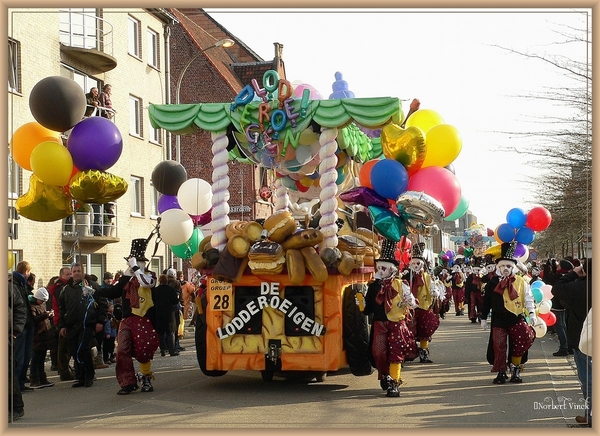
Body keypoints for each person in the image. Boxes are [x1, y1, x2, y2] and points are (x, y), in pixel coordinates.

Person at [94, 239, 160, 395]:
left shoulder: (150, 276)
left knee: (143, 350)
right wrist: (95, 290)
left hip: (143, 318)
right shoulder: (125, 278)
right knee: (122, 350)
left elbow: (145, 283)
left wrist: (136, 267)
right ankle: (127, 382)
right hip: (127, 318)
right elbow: (114, 292)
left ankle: (145, 377)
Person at [360, 239, 418, 397]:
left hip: (397, 323)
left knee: (395, 352)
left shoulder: (401, 284)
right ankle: (384, 374)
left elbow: (412, 302)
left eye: (383, 268)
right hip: (380, 323)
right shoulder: (373, 286)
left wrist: (409, 301)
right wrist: (362, 303)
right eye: (378, 268)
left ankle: (394, 382)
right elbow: (368, 309)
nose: (380, 270)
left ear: (392, 269)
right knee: (378, 352)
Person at [480, 242, 536, 384]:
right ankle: (501, 371)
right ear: (498, 267)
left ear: (514, 267)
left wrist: (532, 313)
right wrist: (483, 318)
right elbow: (486, 301)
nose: (506, 269)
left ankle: (515, 369)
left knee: (521, 341)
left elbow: (528, 298)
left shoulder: (521, 282)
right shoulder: (492, 283)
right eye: (503, 266)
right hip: (498, 320)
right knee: (499, 346)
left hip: (516, 318)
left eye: (509, 266)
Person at [551, 258, 592, 427]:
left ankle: (591, 415)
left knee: (588, 379)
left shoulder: (577, 287)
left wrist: (574, 272)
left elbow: (557, 288)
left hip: (583, 338)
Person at [58, 263, 108, 388]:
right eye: (74, 271)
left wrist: (100, 321)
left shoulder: (92, 286)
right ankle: (80, 376)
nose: (76, 273)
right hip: (71, 325)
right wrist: (62, 325)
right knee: (75, 351)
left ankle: (89, 375)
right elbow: (62, 309)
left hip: (87, 324)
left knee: (83, 350)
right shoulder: (66, 289)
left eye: (78, 271)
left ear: (83, 272)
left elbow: (102, 304)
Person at [403, 242, 442, 364]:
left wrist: (435, 291)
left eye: (418, 263)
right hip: (410, 308)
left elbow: (432, 287)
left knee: (425, 329)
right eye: (413, 263)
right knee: (409, 330)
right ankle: (408, 352)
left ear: (422, 264)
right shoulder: (406, 275)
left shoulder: (427, 276)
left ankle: (424, 352)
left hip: (424, 306)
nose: (415, 265)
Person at [47, 267, 74, 381]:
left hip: (64, 320)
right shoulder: (60, 289)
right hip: (62, 320)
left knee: (65, 347)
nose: (70, 276)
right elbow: (62, 307)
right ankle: (64, 372)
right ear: (61, 276)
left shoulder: (65, 287)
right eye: (67, 274)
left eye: (71, 274)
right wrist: (62, 323)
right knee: (63, 348)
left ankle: (65, 369)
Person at [11, 261, 34, 393]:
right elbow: (19, 307)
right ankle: (17, 385)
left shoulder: (21, 284)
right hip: (21, 326)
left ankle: (21, 382)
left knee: (26, 356)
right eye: (29, 272)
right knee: (19, 357)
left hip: (28, 324)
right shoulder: (14, 285)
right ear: (26, 271)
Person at [9, 267, 27, 422]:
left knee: (7, 373)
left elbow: (21, 309)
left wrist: (15, 330)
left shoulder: (9, 287)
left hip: (7, 335)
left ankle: (16, 407)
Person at [546, 258, 574, 356]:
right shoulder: (568, 276)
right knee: (563, 326)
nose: (557, 267)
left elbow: (548, 278)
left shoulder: (558, 276)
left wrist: (548, 266)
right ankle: (569, 346)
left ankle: (564, 347)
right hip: (564, 304)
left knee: (559, 326)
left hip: (557, 304)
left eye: (558, 265)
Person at [28, 287, 55, 389]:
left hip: (44, 335)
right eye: (42, 300)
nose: (43, 302)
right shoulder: (32, 306)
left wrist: (49, 316)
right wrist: (45, 315)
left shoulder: (42, 304)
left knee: (41, 358)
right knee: (36, 359)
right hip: (37, 336)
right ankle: (34, 379)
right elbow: (34, 319)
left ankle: (42, 378)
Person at [152, 274, 180, 357]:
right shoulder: (170, 290)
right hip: (169, 313)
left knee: (160, 333)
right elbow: (175, 301)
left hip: (159, 313)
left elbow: (153, 301)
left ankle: (162, 350)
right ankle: (172, 350)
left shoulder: (156, 290)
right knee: (170, 332)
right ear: (166, 281)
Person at [465, 257, 484, 324]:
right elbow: (467, 286)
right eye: (475, 270)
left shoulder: (482, 277)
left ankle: (480, 316)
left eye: (478, 270)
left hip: (480, 293)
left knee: (480, 305)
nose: (476, 271)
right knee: (472, 305)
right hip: (472, 293)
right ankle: (472, 317)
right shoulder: (470, 277)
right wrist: (466, 295)